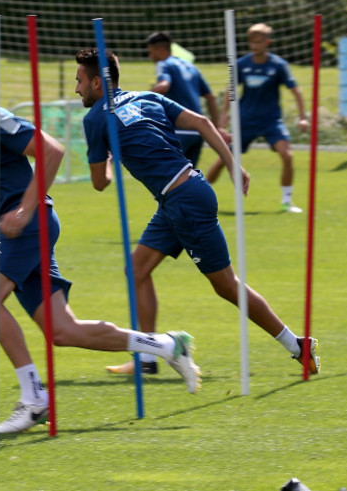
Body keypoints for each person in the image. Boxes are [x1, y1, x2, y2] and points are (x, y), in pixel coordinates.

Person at [0, 42, 201, 434]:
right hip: (10, 231)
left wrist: (25, 210)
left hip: (33, 222)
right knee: (64, 331)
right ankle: (166, 346)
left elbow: (52, 150)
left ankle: (33, 398)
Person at [74, 47, 320, 378]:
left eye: (79, 81)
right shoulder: (146, 97)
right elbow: (203, 122)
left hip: (184, 202)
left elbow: (100, 183)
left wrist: (104, 155)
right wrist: (234, 166)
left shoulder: (94, 119)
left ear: (96, 83)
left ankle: (298, 345)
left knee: (227, 286)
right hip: (184, 192)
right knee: (136, 269)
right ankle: (147, 356)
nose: (76, 89)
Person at [204, 23, 308, 213]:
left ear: (267, 42)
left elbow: (296, 92)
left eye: (258, 42)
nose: (254, 46)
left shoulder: (278, 65)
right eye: (252, 42)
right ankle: (199, 197)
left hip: (271, 122)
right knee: (223, 160)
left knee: (287, 155)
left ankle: (286, 202)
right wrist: (223, 118)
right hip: (245, 121)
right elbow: (231, 91)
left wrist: (303, 117)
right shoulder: (241, 65)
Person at [145, 31, 227, 168]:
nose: (150, 56)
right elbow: (210, 97)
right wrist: (216, 127)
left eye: (151, 52)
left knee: (167, 175)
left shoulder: (163, 64)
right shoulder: (191, 67)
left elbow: (164, 86)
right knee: (188, 180)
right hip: (198, 133)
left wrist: (139, 97)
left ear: (160, 49)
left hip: (179, 132)